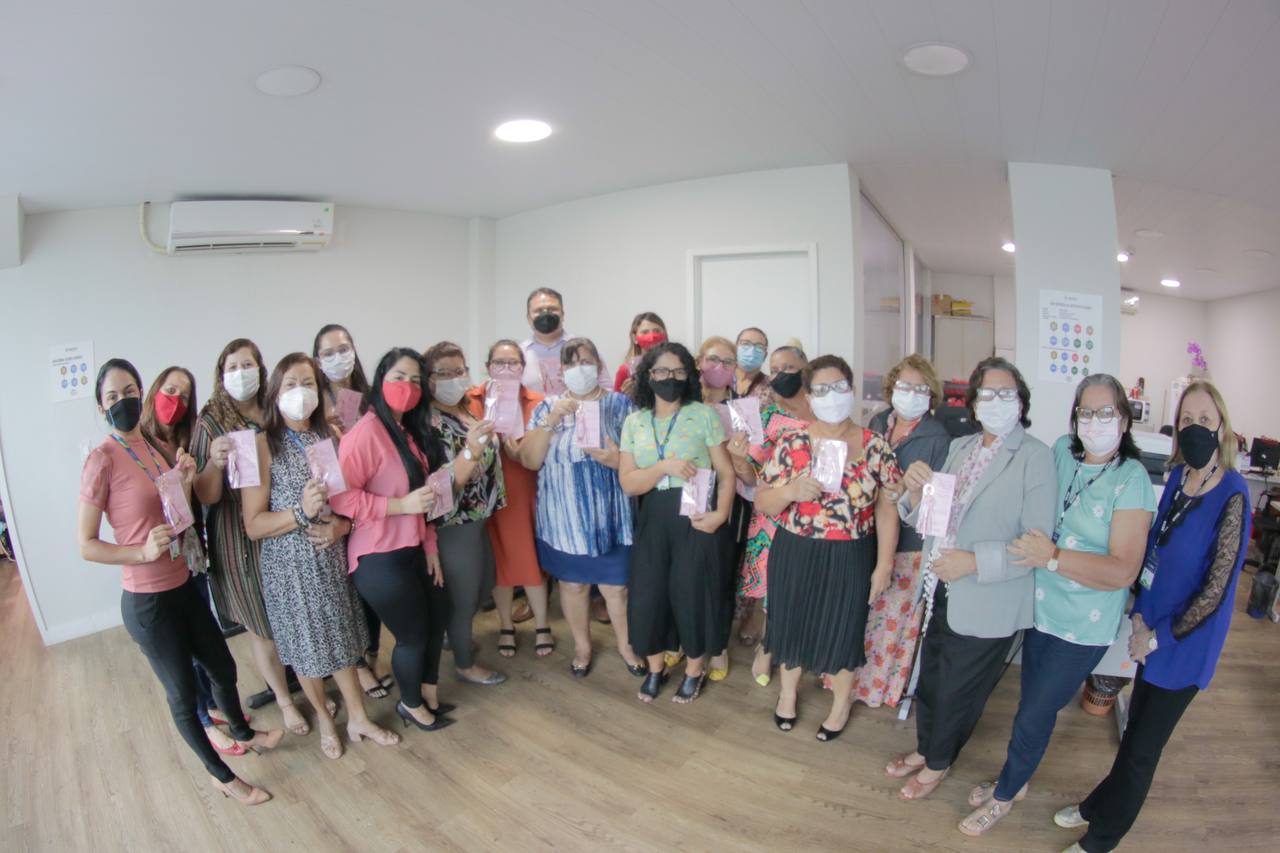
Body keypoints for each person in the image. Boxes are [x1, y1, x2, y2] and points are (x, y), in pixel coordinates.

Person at [957, 373, 1156, 836]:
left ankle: (1005, 795)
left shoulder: (1131, 480)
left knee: (1034, 712)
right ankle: (1017, 777)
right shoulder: (1063, 451)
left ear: (1124, 419)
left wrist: (1053, 558)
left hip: (1081, 624)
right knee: (1032, 703)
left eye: (1106, 412)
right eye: (1086, 411)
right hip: (1040, 608)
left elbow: (1123, 570)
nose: (1095, 421)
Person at [1055, 380, 1249, 853]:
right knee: (1134, 735)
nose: (1195, 427)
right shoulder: (1179, 478)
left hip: (1184, 643)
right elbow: (1152, 553)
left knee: (1143, 749)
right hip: (1150, 631)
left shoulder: (1234, 493)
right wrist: (1140, 616)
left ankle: (1101, 839)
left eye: (1205, 420)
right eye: (1187, 420)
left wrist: (1157, 636)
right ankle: (1098, 805)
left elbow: (1216, 591)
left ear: (1222, 426)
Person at [78, 359, 283, 806]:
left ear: (142, 393)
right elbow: (86, 545)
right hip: (148, 602)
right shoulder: (101, 460)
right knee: (183, 695)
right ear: (100, 406)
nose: (122, 401)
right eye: (112, 396)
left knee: (222, 668)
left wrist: (187, 479)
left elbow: (178, 510)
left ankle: (243, 732)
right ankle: (222, 777)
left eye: (129, 391)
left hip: (183, 582)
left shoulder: (154, 446)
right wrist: (139, 552)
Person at [887, 356, 1056, 801]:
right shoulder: (961, 447)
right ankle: (927, 747)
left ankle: (938, 762)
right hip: (940, 584)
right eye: (987, 393)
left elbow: (1036, 545)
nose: (996, 401)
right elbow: (931, 518)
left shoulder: (1035, 457)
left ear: (1021, 402)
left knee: (958, 691)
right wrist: (914, 492)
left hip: (987, 593)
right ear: (974, 403)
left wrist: (973, 562)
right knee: (932, 677)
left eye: (1006, 393)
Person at [242, 353, 401, 759]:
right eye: (291, 384)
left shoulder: (329, 437)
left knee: (342, 639)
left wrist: (343, 527)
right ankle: (327, 723)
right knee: (307, 649)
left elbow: (350, 501)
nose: (301, 392)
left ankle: (358, 717)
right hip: (289, 568)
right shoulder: (259, 445)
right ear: (275, 392)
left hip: (331, 560)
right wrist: (300, 512)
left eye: (308, 383)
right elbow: (253, 524)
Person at [754, 355, 901, 741]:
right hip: (795, 550)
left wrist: (884, 564)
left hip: (850, 554)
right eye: (821, 389)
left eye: (839, 387)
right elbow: (763, 502)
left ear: (851, 391)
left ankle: (840, 705)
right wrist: (790, 491)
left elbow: (887, 509)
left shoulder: (875, 446)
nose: (831, 396)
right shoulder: (791, 442)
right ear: (809, 396)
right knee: (790, 623)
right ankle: (787, 695)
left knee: (844, 628)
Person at [330, 348, 456, 732]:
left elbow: (426, 497)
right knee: (412, 635)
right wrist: (399, 506)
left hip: (415, 547)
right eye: (399, 377)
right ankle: (411, 704)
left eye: (415, 380)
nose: (408, 387)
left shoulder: (409, 431)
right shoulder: (365, 433)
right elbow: (342, 498)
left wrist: (430, 546)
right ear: (381, 380)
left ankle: (428, 692)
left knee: (439, 615)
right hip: (378, 555)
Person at [191, 339, 304, 734]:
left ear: (261, 368)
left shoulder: (275, 407)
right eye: (233, 367)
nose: (241, 374)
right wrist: (214, 463)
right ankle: (285, 701)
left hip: (282, 522)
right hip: (237, 535)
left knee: (291, 609)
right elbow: (205, 494)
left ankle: (309, 679)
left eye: (248, 365)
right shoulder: (211, 421)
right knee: (261, 622)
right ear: (221, 375)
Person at [520, 337, 645, 677]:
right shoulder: (547, 407)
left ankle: (626, 645)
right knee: (573, 586)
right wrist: (551, 420)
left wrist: (615, 459)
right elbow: (530, 461)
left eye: (586, 361)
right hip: (564, 520)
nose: (579, 369)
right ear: (560, 371)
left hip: (612, 518)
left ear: (599, 365)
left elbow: (642, 459)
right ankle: (582, 647)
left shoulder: (621, 405)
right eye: (571, 363)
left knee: (616, 588)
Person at [619, 342, 736, 704]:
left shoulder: (703, 415)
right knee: (649, 596)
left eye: (678, 371)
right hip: (653, 515)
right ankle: (656, 669)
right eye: (661, 371)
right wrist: (663, 467)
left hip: (696, 514)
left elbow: (726, 473)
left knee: (693, 594)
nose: (669, 378)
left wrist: (721, 514)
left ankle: (694, 671)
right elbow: (629, 483)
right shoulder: (635, 422)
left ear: (688, 375)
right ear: (648, 376)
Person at [140, 365, 244, 757]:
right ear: (155, 391)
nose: (176, 401)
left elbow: (199, 498)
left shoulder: (186, 441)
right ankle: (203, 717)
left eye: (184, 396)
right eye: (170, 391)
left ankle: (213, 705)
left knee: (205, 639)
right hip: (161, 561)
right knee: (183, 647)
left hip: (192, 554)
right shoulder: (141, 445)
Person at [854, 354, 951, 708]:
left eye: (920, 388)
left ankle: (874, 689)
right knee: (862, 613)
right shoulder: (879, 421)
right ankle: (844, 679)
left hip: (910, 545)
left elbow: (937, 509)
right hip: (867, 534)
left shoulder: (937, 438)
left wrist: (911, 494)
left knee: (891, 620)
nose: (911, 393)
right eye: (904, 385)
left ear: (931, 395)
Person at [312, 323, 389, 699]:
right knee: (344, 593)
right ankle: (357, 666)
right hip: (333, 506)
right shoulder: (313, 401)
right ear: (317, 360)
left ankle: (371, 656)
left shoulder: (369, 396)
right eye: (328, 353)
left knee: (369, 587)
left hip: (370, 502)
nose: (337, 358)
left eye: (343, 349)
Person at [729, 345, 813, 685]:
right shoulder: (766, 418)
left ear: (805, 369)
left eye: (788, 368)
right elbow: (751, 477)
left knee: (804, 583)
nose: (780, 375)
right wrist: (738, 459)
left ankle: (795, 642)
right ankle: (768, 644)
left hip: (815, 513)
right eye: (774, 369)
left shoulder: (825, 413)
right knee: (773, 584)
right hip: (773, 512)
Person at [425, 341, 507, 686]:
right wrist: (471, 451)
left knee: (484, 584)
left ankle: (454, 636)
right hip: (455, 523)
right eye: (444, 372)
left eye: (459, 370)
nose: (454, 378)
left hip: (480, 518)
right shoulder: (428, 421)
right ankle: (464, 663)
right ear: (428, 378)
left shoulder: (467, 409)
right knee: (465, 596)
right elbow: (441, 480)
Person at [464, 340, 553, 659]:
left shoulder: (537, 402)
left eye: (513, 362)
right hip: (486, 493)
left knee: (528, 556)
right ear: (487, 366)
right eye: (498, 363)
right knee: (499, 560)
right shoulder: (470, 400)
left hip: (524, 486)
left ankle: (542, 624)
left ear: (522, 367)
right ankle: (505, 625)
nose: (505, 369)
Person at [695, 335, 743, 682]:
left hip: (730, 498)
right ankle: (686, 640)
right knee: (686, 573)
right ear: (699, 361)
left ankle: (718, 646)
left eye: (727, 362)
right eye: (713, 359)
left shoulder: (743, 409)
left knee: (719, 577)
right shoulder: (684, 404)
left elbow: (750, 466)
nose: (719, 367)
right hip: (688, 493)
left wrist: (737, 453)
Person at [519, 287, 608, 396]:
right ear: (529, 318)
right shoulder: (519, 354)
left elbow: (606, 389)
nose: (546, 314)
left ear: (562, 314)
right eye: (539, 310)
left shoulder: (583, 349)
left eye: (552, 309)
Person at [614, 312, 667, 395]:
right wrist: (626, 396)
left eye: (657, 331)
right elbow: (615, 401)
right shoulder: (626, 370)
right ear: (634, 338)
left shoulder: (675, 365)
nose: (652, 336)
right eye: (645, 332)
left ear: (664, 335)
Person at [733, 327, 770, 398]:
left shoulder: (771, 387)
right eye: (746, 344)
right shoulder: (723, 377)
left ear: (765, 356)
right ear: (735, 348)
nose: (751, 350)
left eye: (759, 347)